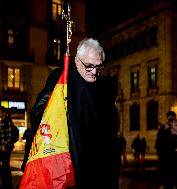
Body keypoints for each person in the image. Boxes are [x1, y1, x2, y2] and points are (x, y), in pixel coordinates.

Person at [21, 38, 120, 188]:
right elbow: (40, 113)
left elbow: (112, 125)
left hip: (100, 164)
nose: (94, 72)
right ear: (77, 61)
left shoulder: (105, 87)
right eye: (89, 66)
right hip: (71, 161)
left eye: (98, 67)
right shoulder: (62, 77)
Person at [0, 106, 19, 189]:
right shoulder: (2, 121)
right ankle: (6, 183)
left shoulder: (7, 121)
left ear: (4, 112)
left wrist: (4, 145)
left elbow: (9, 135)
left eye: (0, 111)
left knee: (5, 166)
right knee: (5, 166)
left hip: (6, 148)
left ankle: (7, 185)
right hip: (3, 147)